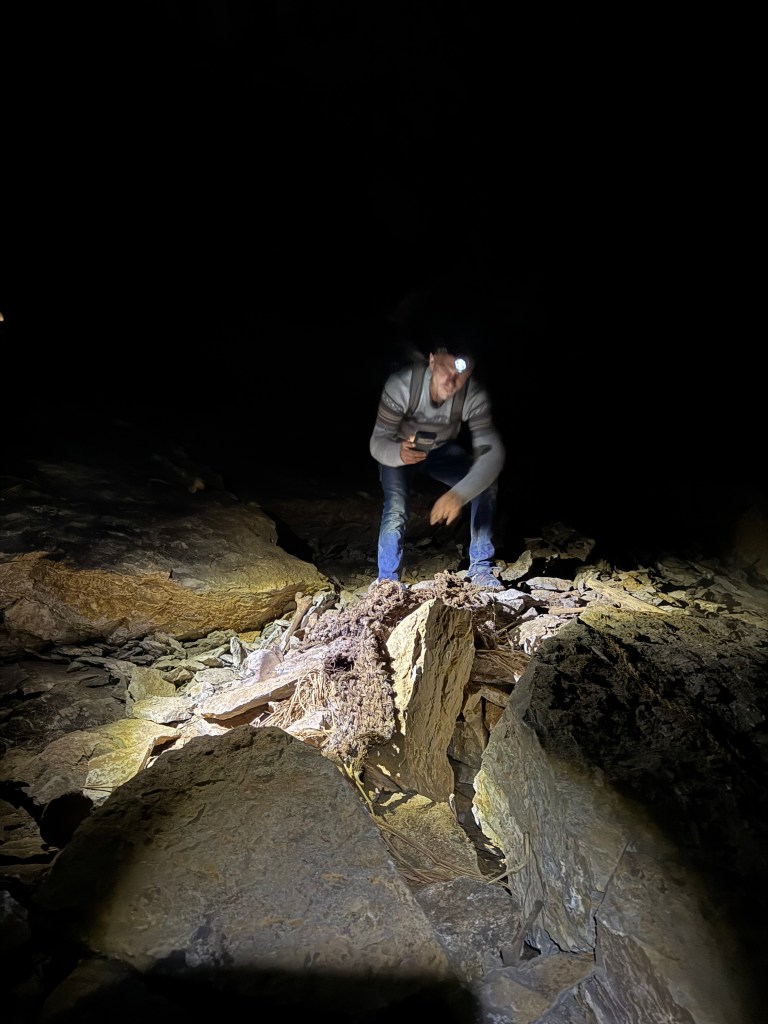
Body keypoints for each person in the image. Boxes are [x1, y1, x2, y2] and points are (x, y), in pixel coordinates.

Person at [369, 339, 506, 589]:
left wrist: (460, 493)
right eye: (446, 369)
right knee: (396, 509)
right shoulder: (402, 385)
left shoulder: (472, 393)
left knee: (485, 485)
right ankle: (387, 581)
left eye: (461, 373)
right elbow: (377, 441)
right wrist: (397, 453)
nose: (452, 380)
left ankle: (481, 568)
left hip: (441, 452)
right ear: (432, 361)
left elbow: (493, 453)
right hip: (400, 450)